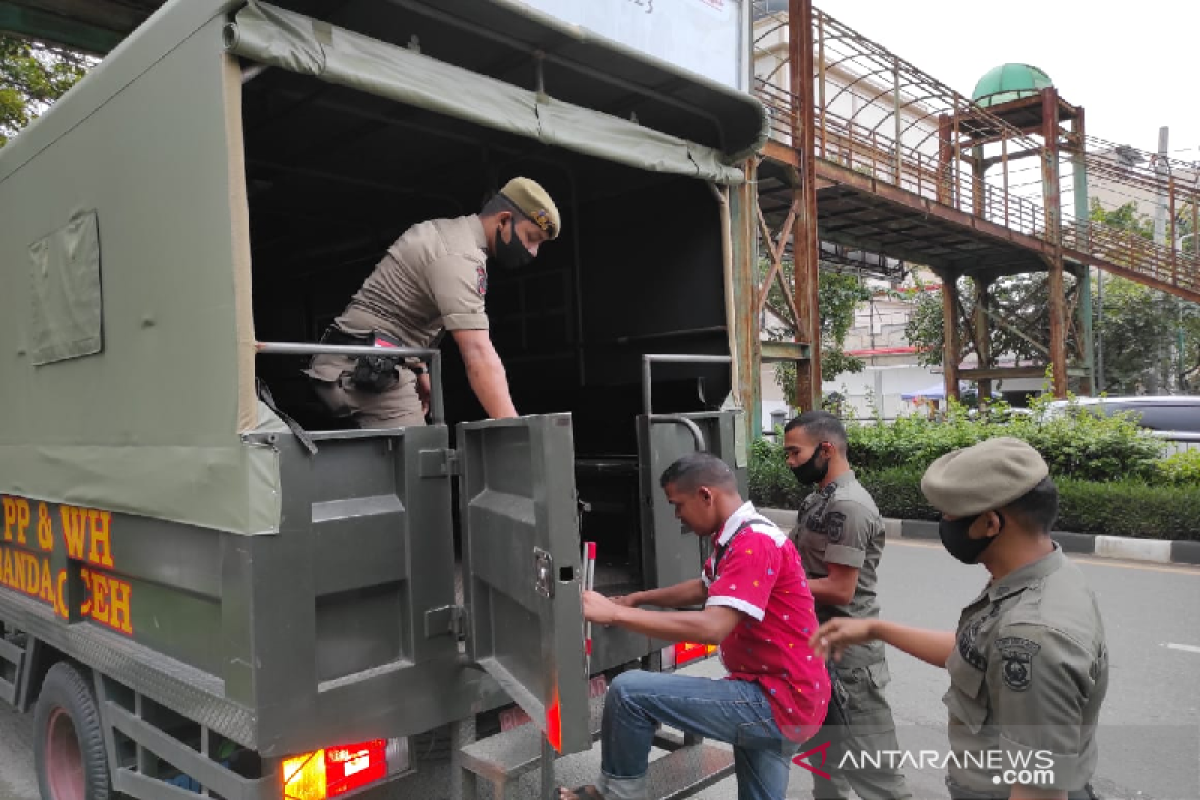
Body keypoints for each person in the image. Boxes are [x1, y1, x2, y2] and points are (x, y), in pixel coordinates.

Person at [810, 437, 1109, 800]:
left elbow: (1038, 791)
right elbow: (980, 653)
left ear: (989, 523)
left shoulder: (1033, 637)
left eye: (950, 515)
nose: (944, 524)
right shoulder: (1043, 575)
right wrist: (876, 629)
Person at [558, 452, 831, 800]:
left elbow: (712, 628)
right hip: (791, 697)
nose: (677, 516)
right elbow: (705, 587)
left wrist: (615, 615)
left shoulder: (754, 542)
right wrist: (637, 598)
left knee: (628, 692)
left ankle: (613, 795)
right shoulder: (740, 534)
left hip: (774, 700)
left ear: (705, 495)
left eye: (678, 504)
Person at [304, 177, 560, 427]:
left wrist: (419, 371)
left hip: (356, 360)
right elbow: (477, 352)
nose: (533, 251)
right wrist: (517, 432)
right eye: (532, 237)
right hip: (358, 368)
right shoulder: (459, 256)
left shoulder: (449, 234)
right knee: (420, 460)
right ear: (504, 220)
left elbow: (403, 316)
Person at [783, 411, 911, 800]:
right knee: (826, 769)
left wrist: (778, 587)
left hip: (850, 663)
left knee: (877, 778)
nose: (790, 462)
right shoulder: (817, 501)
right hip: (820, 652)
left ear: (826, 449)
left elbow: (840, 589)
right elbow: (792, 557)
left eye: (794, 453)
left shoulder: (849, 506)